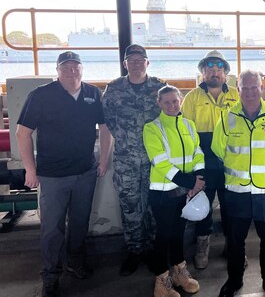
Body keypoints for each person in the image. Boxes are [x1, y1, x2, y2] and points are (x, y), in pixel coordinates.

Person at [16, 51, 112, 297]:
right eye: (66, 68)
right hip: (52, 175)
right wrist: (30, 170)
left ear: (82, 69)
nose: (72, 72)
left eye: (76, 67)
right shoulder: (41, 95)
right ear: (57, 70)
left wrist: (102, 160)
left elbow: (104, 128)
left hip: (85, 172)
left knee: (80, 223)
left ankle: (75, 262)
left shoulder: (92, 93)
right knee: (52, 228)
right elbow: (22, 133)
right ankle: (50, 275)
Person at [212, 70, 265, 297]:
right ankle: (234, 281)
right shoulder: (226, 118)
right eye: (244, 88)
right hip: (237, 192)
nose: (249, 92)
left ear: (261, 88)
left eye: (254, 87)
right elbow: (219, 151)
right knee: (235, 241)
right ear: (237, 89)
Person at [102, 44, 166, 276]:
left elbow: (171, 117)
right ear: (125, 64)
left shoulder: (160, 88)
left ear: (148, 63)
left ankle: (152, 250)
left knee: (152, 205)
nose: (137, 63)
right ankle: (134, 251)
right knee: (130, 207)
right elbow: (106, 120)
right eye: (132, 60)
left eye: (141, 59)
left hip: (155, 160)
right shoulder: (114, 89)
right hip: (126, 160)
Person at [143, 85, 205, 297]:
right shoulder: (152, 128)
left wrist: (199, 179)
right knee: (163, 236)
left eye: (175, 101)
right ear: (159, 103)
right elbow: (160, 161)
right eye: (166, 102)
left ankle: (180, 273)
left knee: (179, 233)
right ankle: (162, 282)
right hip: (163, 194)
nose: (171, 105)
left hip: (184, 193)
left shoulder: (188, 124)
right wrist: (190, 182)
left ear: (180, 101)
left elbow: (198, 152)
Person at [181, 50, 239, 269]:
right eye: (209, 69)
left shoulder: (236, 95)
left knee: (231, 206)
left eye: (219, 69)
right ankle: (202, 246)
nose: (214, 73)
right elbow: (187, 135)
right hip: (203, 161)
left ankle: (232, 247)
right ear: (202, 72)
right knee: (203, 206)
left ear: (225, 73)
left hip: (231, 161)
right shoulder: (192, 98)